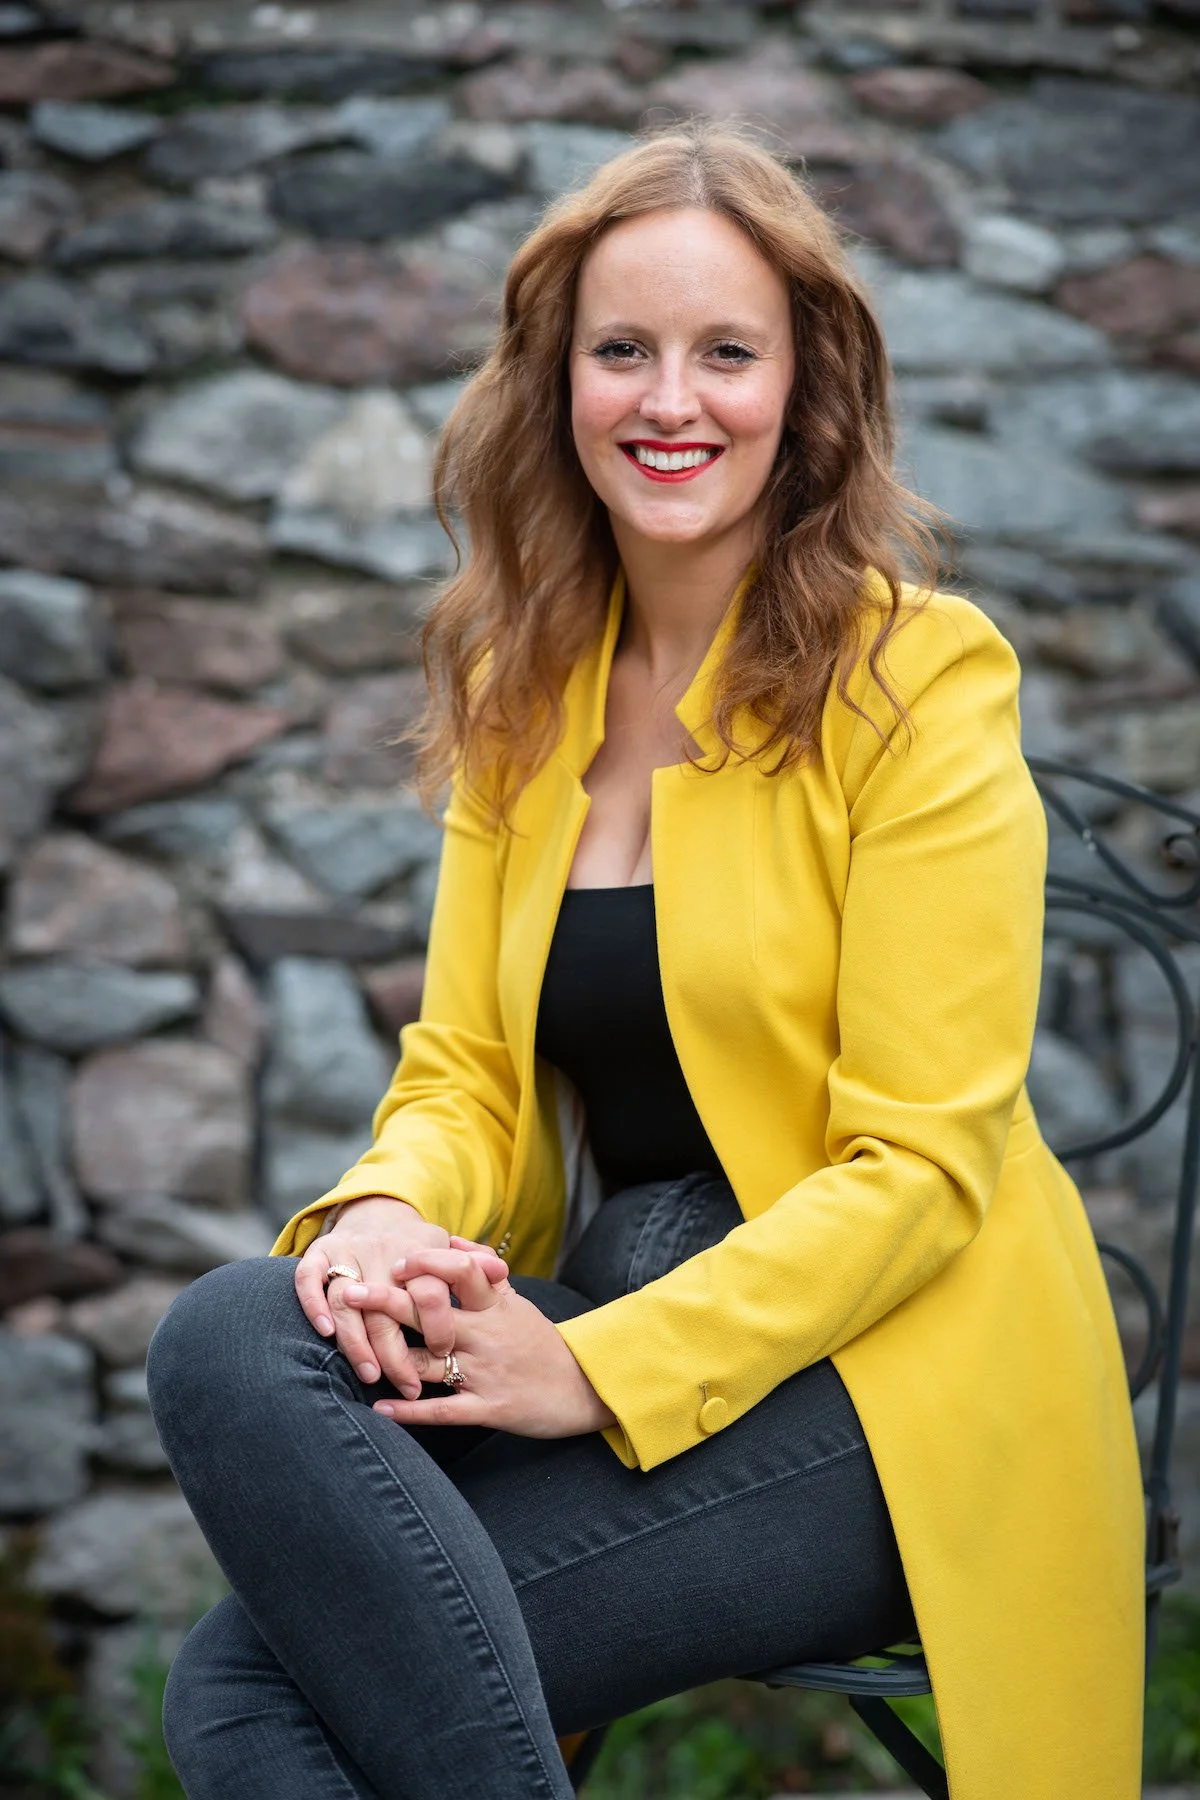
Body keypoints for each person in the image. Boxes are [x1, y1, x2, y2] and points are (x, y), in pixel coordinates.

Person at [146, 125, 1145, 1800]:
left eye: (725, 352)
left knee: (254, 1696)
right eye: (624, 350)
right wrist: (387, 1217)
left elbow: (918, 1162)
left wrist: (591, 1365)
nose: (670, 400)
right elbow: (466, 1073)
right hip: (631, 1307)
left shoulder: (919, 681)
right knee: (232, 1334)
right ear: (559, 382)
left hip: (891, 1384)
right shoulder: (523, 697)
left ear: (802, 388)